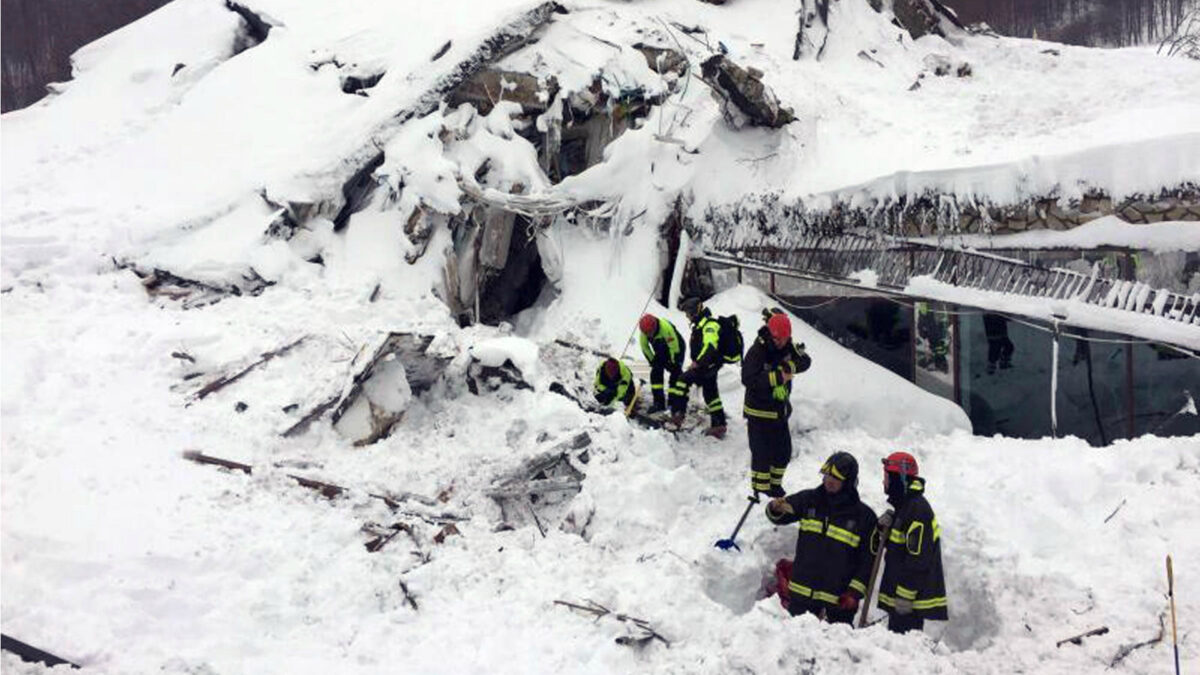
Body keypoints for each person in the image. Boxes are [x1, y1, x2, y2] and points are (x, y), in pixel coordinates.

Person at [765, 452, 879, 624]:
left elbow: (867, 562)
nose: (829, 481)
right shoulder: (809, 500)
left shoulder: (864, 517)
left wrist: (854, 594)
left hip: (838, 602)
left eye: (836, 478)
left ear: (848, 482)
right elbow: (778, 515)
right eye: (826, 475)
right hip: (801, 595)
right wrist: (775, 508)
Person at [741, 308, 811, 498]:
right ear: (770, 334)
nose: (780, 343)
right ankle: (759, 490)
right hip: (758, 412)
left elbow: (806, 360)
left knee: (783, 452)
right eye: (777, 339)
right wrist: (778, 377)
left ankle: (774, 485)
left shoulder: (788, 345)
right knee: (761, 454)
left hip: (779, 411)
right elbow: (748, 379)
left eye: (784, 339)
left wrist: (791, 366)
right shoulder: (757, 350)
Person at [877, 451, 948, 634]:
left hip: (908, 602)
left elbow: (918, 558)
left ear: (898, 478)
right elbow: (898, 550)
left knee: (903, 649)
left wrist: (905, 595)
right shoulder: (905, 507)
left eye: (886, 477)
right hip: (902, 598)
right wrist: (885, 529)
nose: (883, 482)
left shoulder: (917, 510)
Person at [672, 298, 740, 438]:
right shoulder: (701, 324)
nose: (687, 316)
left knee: (682, 381)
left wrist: (697, 362)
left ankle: (678, 415)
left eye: (688, 313)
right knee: (711, 394)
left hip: (706, 365)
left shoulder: (709, 325)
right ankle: (719, 424)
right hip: (710, 365)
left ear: (695, 312)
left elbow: (710, 346)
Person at [638, 313, 686, 415]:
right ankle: (659, 402)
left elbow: (674, 347)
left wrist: (674, 362)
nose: (649, 335)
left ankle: (674, 402)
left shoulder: (665, 328)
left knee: (676, 373)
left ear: (655, 327)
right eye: (647, 333)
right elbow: (645, 347)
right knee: (655, 373)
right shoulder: (644, 332)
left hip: (676, 347)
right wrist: (652, 361)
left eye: (650, 332)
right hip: (660, 349)